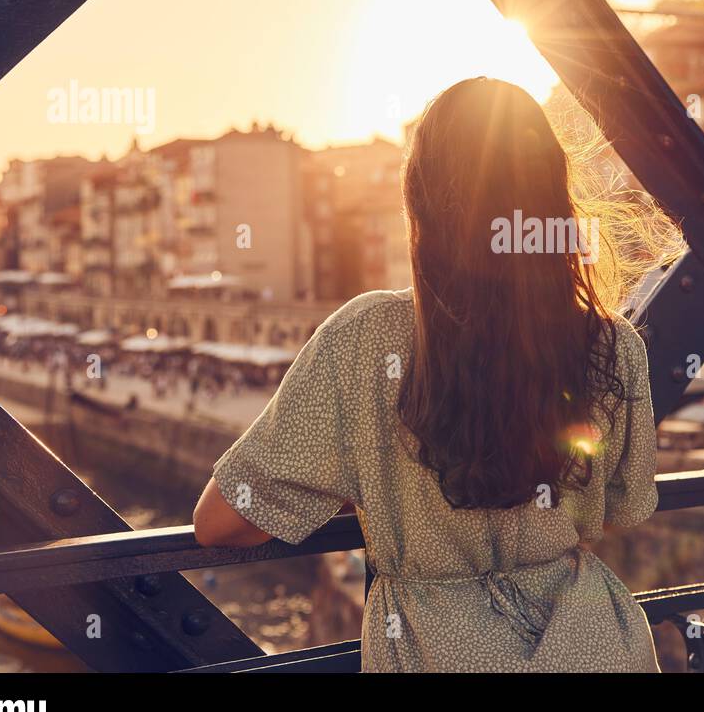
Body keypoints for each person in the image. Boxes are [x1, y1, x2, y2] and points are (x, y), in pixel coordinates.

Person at [193, 77, 679, 672]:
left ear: (421, 204)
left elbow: (220, 521)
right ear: (553, 198)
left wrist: (368, 482)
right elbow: (618, 510)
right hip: (593, 645)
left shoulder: (365, 339)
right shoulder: (613, 346)